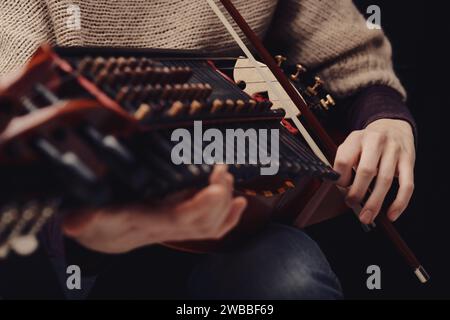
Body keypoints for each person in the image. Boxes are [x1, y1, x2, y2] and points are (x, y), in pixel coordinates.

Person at [0, 0, 416, 299]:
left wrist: (384, 117)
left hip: (241, 208)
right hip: (78, 225)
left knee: (290, 284)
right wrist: (81, 239)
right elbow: (17, 96)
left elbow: (347, 52)